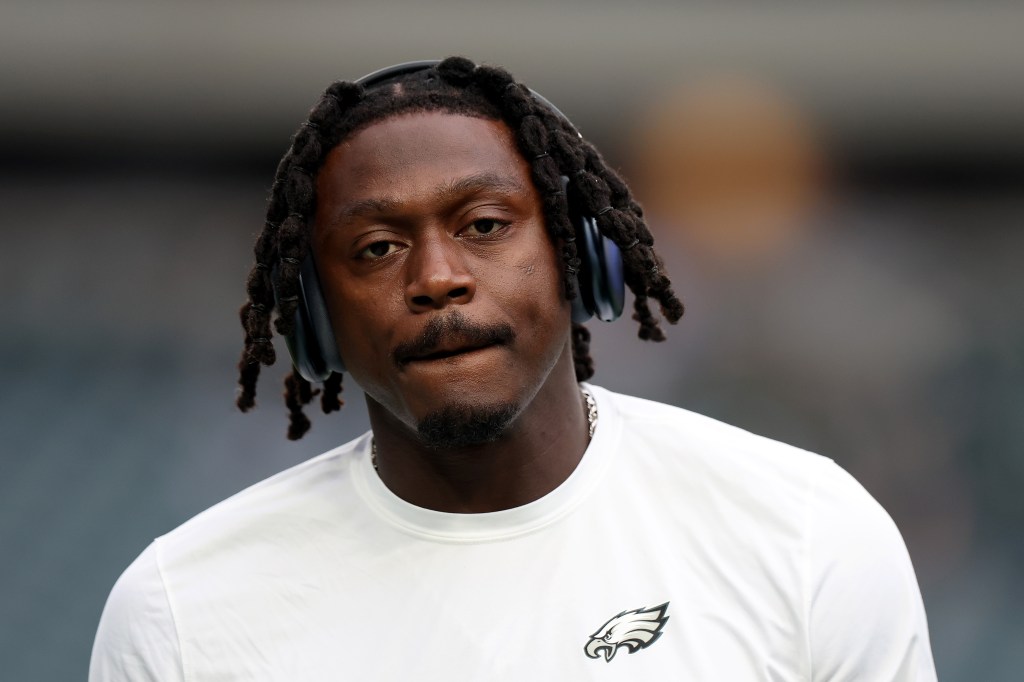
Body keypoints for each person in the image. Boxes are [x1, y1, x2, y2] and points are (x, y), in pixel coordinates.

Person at [89, 57, 936, 680]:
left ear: (581, 258)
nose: (436, 278)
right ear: (314, 316)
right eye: (377, 247)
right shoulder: (180, 613)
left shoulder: (806, 536)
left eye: (486, 224)